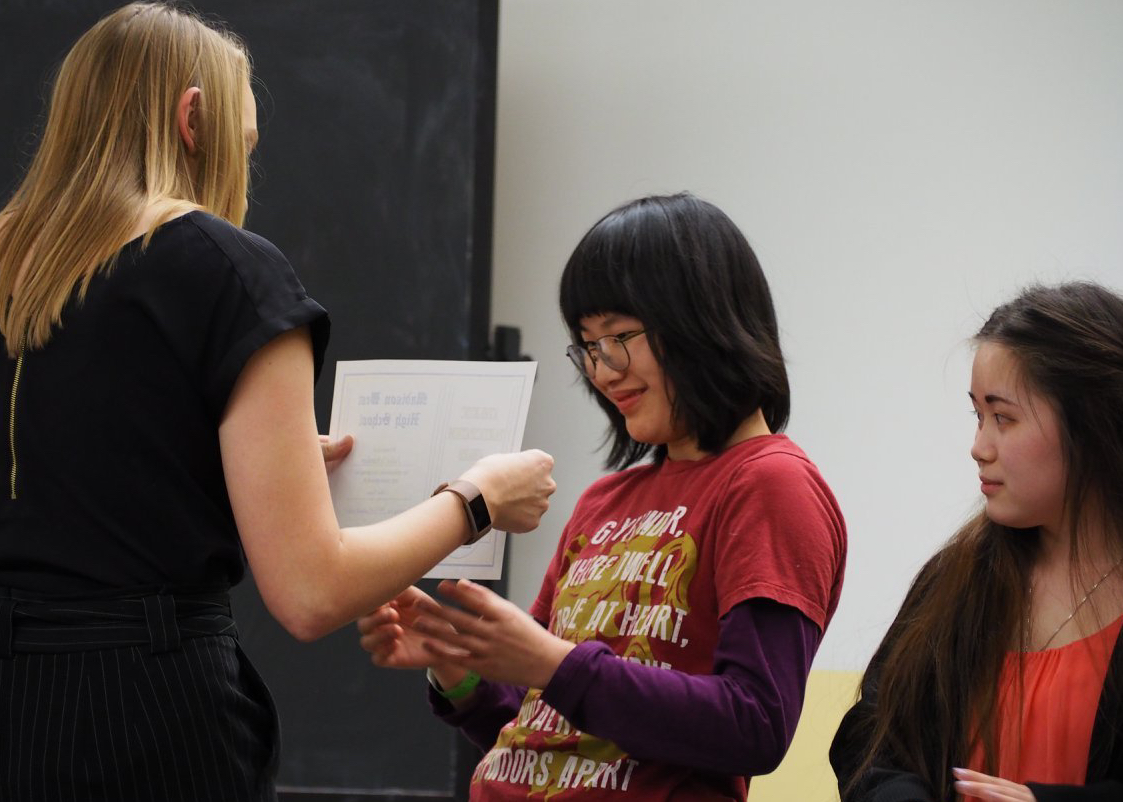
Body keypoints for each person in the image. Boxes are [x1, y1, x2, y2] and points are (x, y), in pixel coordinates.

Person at [0, 4, 554, 801]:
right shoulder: (226, 271)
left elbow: (74, 469)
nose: (243, 170)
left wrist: (247, 462)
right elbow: (309, 593)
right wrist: (477, 500)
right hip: (144, 718)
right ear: (193, 117)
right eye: (244, 144)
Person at [359, 193, 848, 800]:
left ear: (704, 321)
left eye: (618, 336)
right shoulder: (603, 500)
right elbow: (541, 733)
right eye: (588, 345)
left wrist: (555, 665)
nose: (602, 370)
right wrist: (457, 666)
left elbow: (755, 723)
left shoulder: (770, 483)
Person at [830, 282, 1123, 802]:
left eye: (1003, 418)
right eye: (978, 416)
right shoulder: (956, 577)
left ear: (1090, 424)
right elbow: (870, 740)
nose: (978, 447)